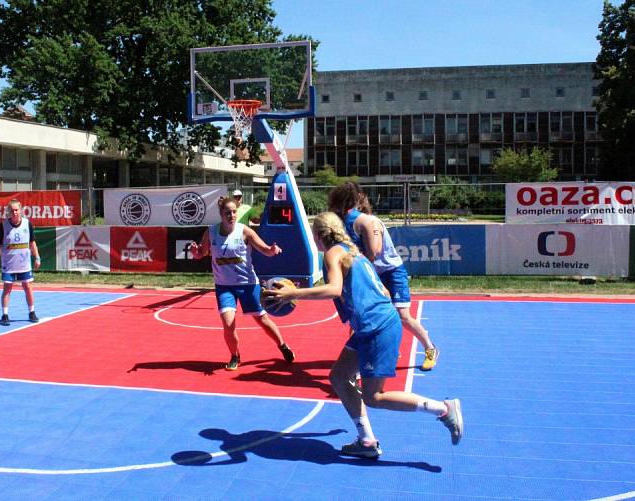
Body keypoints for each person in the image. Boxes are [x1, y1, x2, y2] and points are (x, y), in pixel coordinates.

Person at [263, 212, 462, 458]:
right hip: (375, 326)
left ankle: (443, 409)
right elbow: (382, 293)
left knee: (374, 396)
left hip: (375, 327)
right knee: (338, 377)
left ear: (316, 237)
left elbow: (335, 289)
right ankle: (367, 440)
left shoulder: (332, 253)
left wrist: (294, 294)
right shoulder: (351, 250)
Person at [329, 183, 439, 371]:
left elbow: (375, 251)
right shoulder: (342, 223)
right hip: (371, 273)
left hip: (390, 271)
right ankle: (361, 361)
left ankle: (430, 348)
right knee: (361, 317)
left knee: (402, 316)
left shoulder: (369, 221)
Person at [190, 195, 295, 371]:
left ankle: (282, 345)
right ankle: (235, 355)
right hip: (224, 286)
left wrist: (272, 250)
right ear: (221, 214)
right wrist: (195, 252)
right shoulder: (211, 232)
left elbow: (265, 250)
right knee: (228, 323)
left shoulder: (245, 231)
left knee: (262, 320)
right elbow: (201, 253)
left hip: (247, 284)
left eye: (234, 212)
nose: (231, 215)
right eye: (227, 212)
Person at [0, 199, 41, 325]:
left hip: (24, 263)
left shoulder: (27, 224)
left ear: (21, 210)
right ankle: (5, 315)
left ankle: (32, 312)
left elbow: (32, 242)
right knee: (7, 288)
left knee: (27, 286)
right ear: (8, 212)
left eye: (16, 210)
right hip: (9, 263)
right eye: (12, 210)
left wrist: (37, 257)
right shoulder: (3, 225)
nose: (14, 212)